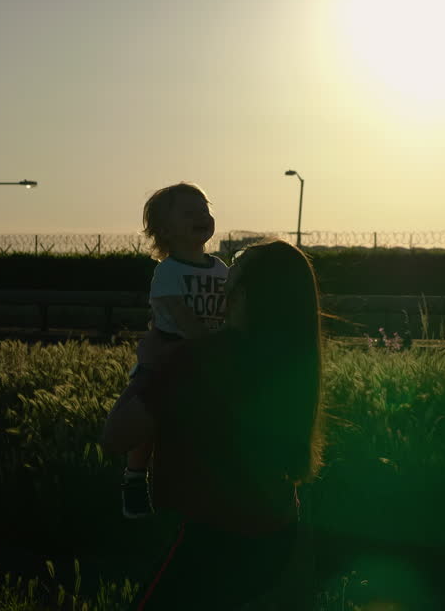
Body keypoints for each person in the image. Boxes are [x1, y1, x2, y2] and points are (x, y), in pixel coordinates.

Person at [101, 239, 327, 610]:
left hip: (211, 539)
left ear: (244, 292)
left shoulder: (196, 361)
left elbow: (116, 436)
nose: (226, 264)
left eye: (238, 260)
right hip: (274, 538)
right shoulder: (291, 362)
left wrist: (148, 368)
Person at [122, 182, 228, 519]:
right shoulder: (168, 271)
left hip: (207, 356)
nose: (201, 217)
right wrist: (214, 348)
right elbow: (182, 317)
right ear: (165, 230)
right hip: (169, 356)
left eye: (204, 210)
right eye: (189, 213)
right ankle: (135, 476)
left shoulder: (220, 269)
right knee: (147, 414)